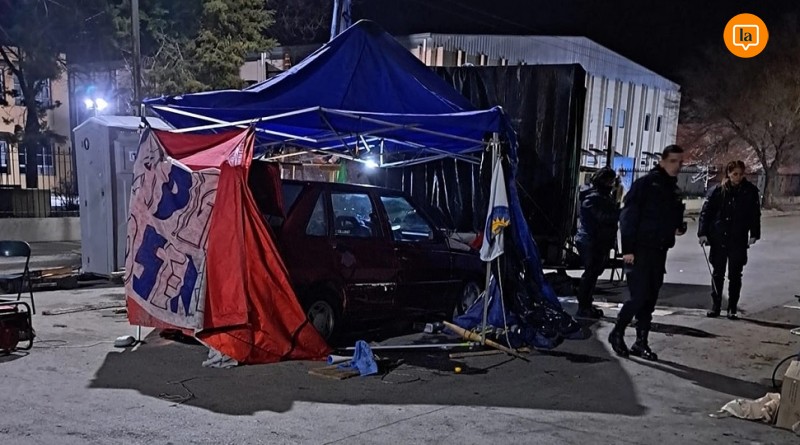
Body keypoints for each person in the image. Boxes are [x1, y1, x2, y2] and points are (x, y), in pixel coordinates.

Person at [608, 145, 687, 361]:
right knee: (639, 296)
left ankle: (641, 342)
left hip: (659, 249)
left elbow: (671, 217)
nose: (677, 166)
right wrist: (628, 249)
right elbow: (628, 217)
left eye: (680, 162)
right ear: (662, 161)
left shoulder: (672, 189)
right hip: (640, 249)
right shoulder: (646, 184)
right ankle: (617, 332)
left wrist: (677, 227)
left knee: (650, 298)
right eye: (673, 161)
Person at [698, 160, 761, 320]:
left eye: (740, 174)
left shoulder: (750, 191)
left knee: (735, 274)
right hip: (719, 237)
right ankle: (716, 305)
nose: (737, 177)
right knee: (717, 273)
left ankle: (732, 307)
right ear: (728, 174)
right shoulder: (718, 191)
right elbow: (706, 213)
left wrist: (754, 234)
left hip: (738, 237)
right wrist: (702, 233)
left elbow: (754, 214)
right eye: (734, 174)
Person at [575, 167, 620, 319]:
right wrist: (619, 213)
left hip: (599, 241)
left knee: (593, 274)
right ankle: (583, 306)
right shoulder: (592, 197)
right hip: (590, 240)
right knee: (590, 273)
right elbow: (602, 217)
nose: (612, 184)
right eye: (610, 181)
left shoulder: (603, 196)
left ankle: (587, 304)